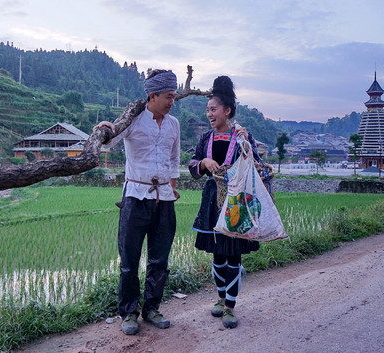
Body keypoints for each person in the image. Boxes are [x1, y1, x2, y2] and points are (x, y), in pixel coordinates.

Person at [93, 69, 180, 335]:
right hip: (134, 197)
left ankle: (152, 308)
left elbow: (175, 159)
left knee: (160, 259)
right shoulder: (133, 119)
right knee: (129, 260)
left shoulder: (173, 124)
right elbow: (109, 141)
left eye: (174, 96)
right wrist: (106, 127)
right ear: (152, 95)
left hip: (163, 199)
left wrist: (173, 187)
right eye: (168, 96)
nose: (172, 101)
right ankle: (129, 312)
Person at [188, 76, 260, 329]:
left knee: (234, 255)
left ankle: (230, 306)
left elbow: (255, 164)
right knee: (218, 254)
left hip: (236, 202)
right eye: (207, 110)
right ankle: (220, 299)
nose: (209, 114)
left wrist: (246, 142)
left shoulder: (241, 136)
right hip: (212, 200)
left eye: (213, 109)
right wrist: (203, 163)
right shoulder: (206, 138)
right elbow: (192, 164)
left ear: (227, 111)